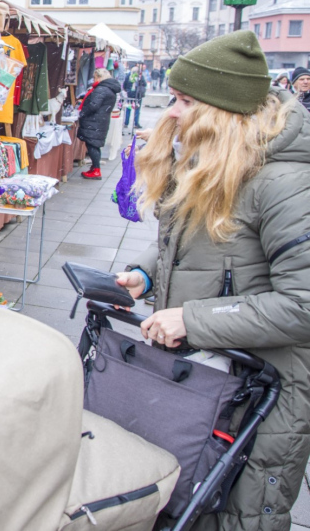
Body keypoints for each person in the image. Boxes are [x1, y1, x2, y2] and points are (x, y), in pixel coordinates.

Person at [115, 30, 310, 530]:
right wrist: (145, 270)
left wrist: (192, 319)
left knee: (236, 513)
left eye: (184, 100)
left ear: (222, 107)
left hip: (264, 393)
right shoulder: (216, 156)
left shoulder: (286, 183)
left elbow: (304, 304)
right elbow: (193, 239)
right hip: (211, 375)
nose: (172, 112)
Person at [76, 67, 121, 180]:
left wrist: (82, 113)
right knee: (94, 144)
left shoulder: (101, 89)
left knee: (92, 145)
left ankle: (96, 170)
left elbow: (93, 105)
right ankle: (95, 167)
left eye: (95, 77)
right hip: (100, 121)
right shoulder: (109, 89)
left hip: (94, 121)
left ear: (100, 77)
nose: (93, 79)